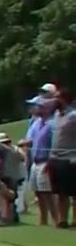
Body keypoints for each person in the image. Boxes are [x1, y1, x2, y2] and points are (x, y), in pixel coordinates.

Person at [22, 97, 58, 226]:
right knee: (38, 191)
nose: (35, 108)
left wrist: (50, 161)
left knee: (47, 192)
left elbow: (54, 144)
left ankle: (56, 219)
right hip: (35, 161)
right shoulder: (36, 123)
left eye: (38, 106)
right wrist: (24, 143)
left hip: (45, 161)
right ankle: (43, 219)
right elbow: (32, 140)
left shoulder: (52, 124)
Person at [49, 91, 76, 228]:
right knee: (60, 192)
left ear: (65, 99)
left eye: (57, 98)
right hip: (56, 159)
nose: (54, 100)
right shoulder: (56, 116)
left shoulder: (73, 116)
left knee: (73, 192)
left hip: (70, 159)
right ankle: (62, 219)